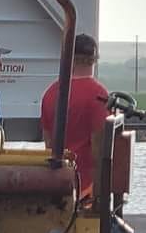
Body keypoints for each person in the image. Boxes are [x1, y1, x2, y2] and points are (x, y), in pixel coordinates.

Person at [40, 32, 110, 200]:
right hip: (86, 189)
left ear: (68, 58)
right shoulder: (99, 95)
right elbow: (99, 150)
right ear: (94, 59)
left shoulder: (50, 93)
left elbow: (49, 144)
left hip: (57, 186)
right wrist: (99, 197)